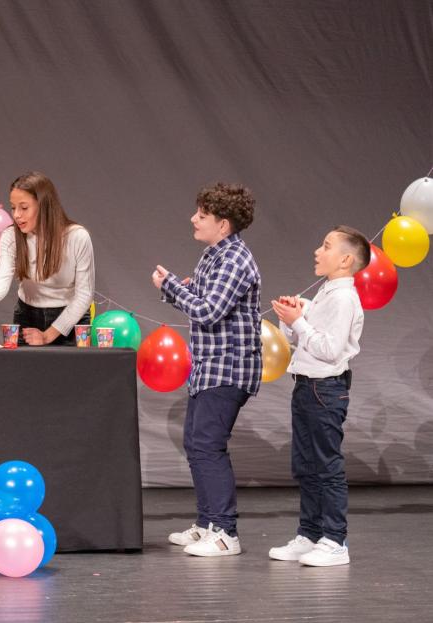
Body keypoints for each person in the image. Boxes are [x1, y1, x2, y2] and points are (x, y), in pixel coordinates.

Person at [151, 182, 261, 557]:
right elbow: (197, 296)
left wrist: (173, 288)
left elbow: (208, 310)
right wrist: (176, 289)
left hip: (229, 367)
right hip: (209, 366)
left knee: (209, 445)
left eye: (202, 215)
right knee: (196, 444)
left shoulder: (234, 260)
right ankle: (208, 523)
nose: (194, 219)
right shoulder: (213, 254)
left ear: (224, 224)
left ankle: (226, 533)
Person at [268, 225, 368, 567]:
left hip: (326, 388)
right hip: (307, 386)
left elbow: (329, 349)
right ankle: (310, 534)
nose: (317, 251)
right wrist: (293, 317)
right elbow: (303, 340)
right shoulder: (327, 293)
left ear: (345, 259)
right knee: (306, 466)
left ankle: (335, 540)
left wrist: (299, 321)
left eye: (326, 246)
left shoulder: (343, 298)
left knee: (327, 467)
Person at [0, 171, 94, 346]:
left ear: (44, 206)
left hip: (69, 322)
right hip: (28, 317)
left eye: (24, 207)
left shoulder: (77, 237)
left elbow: (84, 295)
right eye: (13, 207)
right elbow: (1, 278)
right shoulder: (11, 236)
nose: (16, 215)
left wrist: (47, 335)